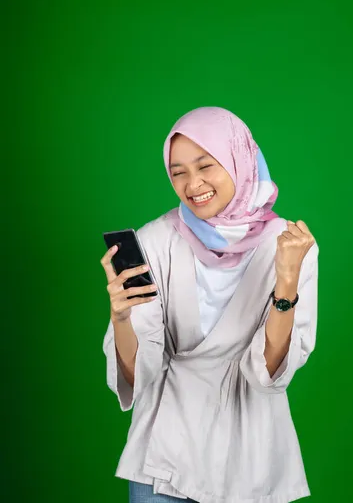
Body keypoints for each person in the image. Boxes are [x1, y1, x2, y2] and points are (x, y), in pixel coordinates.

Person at [101, 106, 319, 503]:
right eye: (178, 171)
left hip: (251, 451)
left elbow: (268, 373)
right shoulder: (155, 240)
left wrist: (286, 282)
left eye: (206, 165)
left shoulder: (290, 246)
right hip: (165, 452)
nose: (192, 184)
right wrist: (121, 318)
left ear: (240, 160)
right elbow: (140, 371)